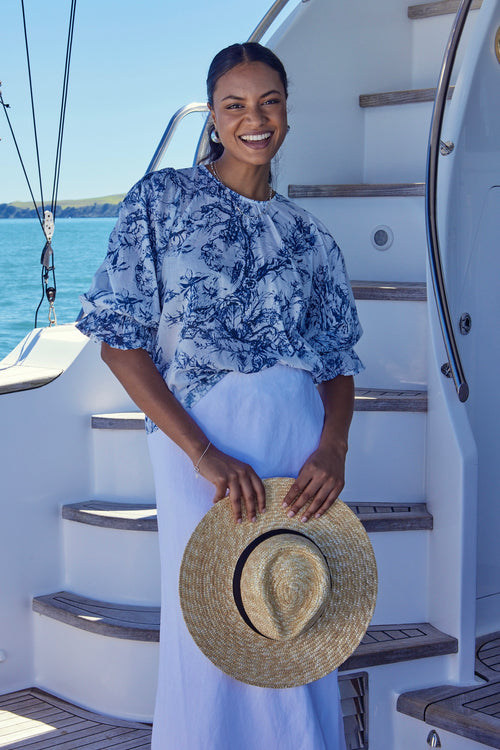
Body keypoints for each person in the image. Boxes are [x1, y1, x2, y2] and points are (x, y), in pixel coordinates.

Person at [77, 41, 363, 750]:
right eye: (235, 105)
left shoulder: (311, 237)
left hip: (297, 448)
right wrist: (204, 455)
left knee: (295, 620)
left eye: (268, 101)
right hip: (195, 447)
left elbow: (335, 361)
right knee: (212, 625)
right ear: (213, 116)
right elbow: (120, 342)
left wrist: (333, 447)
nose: (254, 119)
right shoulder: (163, 201)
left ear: (288, 112)